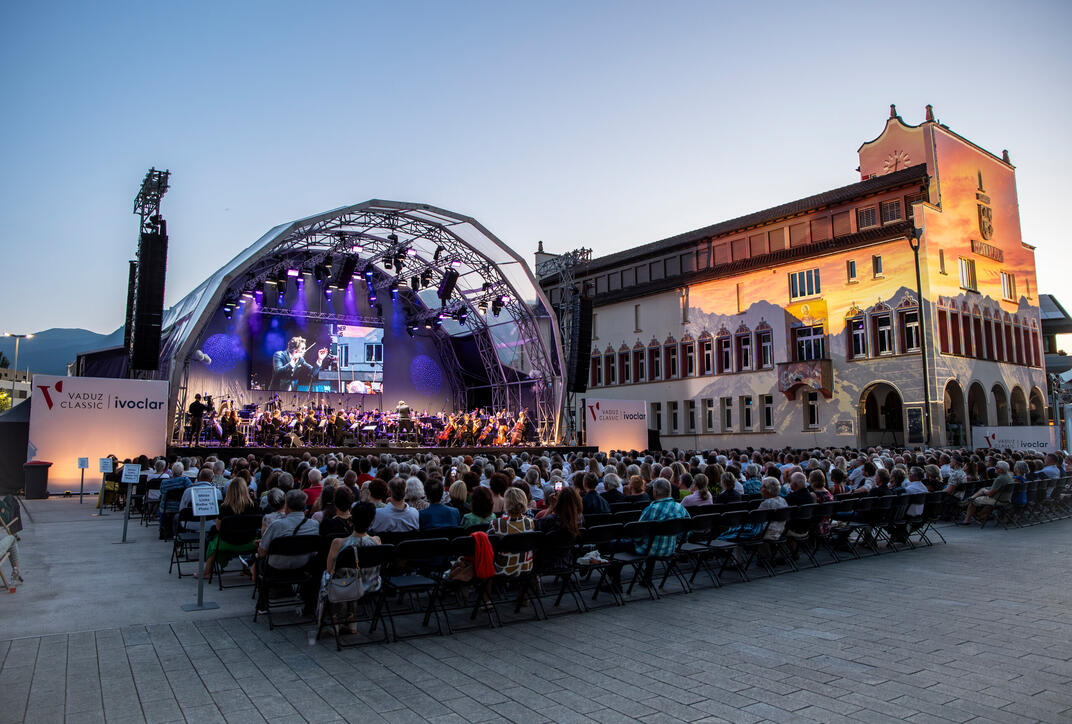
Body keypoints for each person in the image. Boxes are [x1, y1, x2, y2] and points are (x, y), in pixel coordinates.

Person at [256, 489, 321, 615]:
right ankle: (308, 602)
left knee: (259, 559)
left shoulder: (276, 525)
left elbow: (262, 552)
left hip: (276, 568)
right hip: (303, 566)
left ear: (287, 506)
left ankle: (263, 603)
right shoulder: (314, 525)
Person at [197, 476, 258, 580]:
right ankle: (246, 569)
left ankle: (207, 572)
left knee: (212, 545)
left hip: (228, 542)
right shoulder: (254, 505)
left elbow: (218, 527)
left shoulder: (225, 507)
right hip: (250, 541)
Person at [488, 487, 535, 576]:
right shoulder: (530, 522)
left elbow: (488, 546)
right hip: (526, 567)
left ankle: (488, 589)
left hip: (503, 569)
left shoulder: (496, 523)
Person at [960, 460, 1014, 525]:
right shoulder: (1009, 477)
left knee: (973, 501)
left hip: (998, 500)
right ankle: (979, 516)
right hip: (1006, 499)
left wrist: (984, 491)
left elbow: (989, 493)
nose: (995, 468)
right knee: (982, 494)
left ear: (1001, 470)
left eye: (997, 468)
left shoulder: (1000, 479)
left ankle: (967, 519)